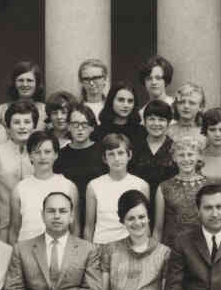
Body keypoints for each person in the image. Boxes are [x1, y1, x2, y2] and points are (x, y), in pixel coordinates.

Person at [8, 131, 80, 244]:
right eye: (37, 152)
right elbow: (14, 230)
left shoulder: (68, 186)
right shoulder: (20, 189)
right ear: (30, 156)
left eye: (47, 152)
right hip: (27, 252)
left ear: (55, 155)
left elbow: (75, 228)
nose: (42, 157)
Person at [0, 100, 36, 240]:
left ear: (34, 126)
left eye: (27, 122)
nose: (22, 127)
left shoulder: (40, 154)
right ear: (8, 127)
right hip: (3, 227)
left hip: (34, 226)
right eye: (17, 122)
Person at [84, 134, 150, 245]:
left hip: (131, 247)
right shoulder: (94, 186)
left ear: (129, 155)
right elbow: (89, 227)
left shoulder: (141, 185)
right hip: (102, 246)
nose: (116, 159)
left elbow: (145, 226)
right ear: (104, 158)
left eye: (120, 153)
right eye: (111, 154)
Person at [55, 104, 104, 236]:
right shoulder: (61, 155)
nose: (80, 129)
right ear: (69, 126)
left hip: (98, 214)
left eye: (84, 124)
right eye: (75, 124)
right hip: (69, 216)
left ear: (92, 127)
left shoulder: (102, 152)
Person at [152, 135, 209, 246]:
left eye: (190, 154)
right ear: (174, 158)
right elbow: (158, 229)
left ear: (198, 157)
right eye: (181, 155)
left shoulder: (208, 186)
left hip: (201, 248)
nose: (186, 159)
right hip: (172, 249)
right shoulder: (164, 187)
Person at [130, 99, 177, 191]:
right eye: (151, 119)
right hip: (139, 199)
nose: (156, 124)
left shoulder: (175, 148)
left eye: (161, 120)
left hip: (166, 200)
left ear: (168, 123)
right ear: (144, 121)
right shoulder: (135, 147)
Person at [0, 60, 47, 129]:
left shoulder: (45, 111)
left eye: (29, 80)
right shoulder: (0, 111)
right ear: (14, 83)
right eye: (20, 80)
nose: (25, 84)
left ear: (37, 84)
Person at [92, 81, 144, 148]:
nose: (126, 105)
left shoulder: (141, 132)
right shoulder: (98, 132)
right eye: (121, 100)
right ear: (111, 101)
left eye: (130, 101)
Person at [137, 55, 175, 121]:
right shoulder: (141, 114)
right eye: (149, 78)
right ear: (144, 82)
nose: (153, 82)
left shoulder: (176, 108)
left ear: (166, 81)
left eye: (158, 78)